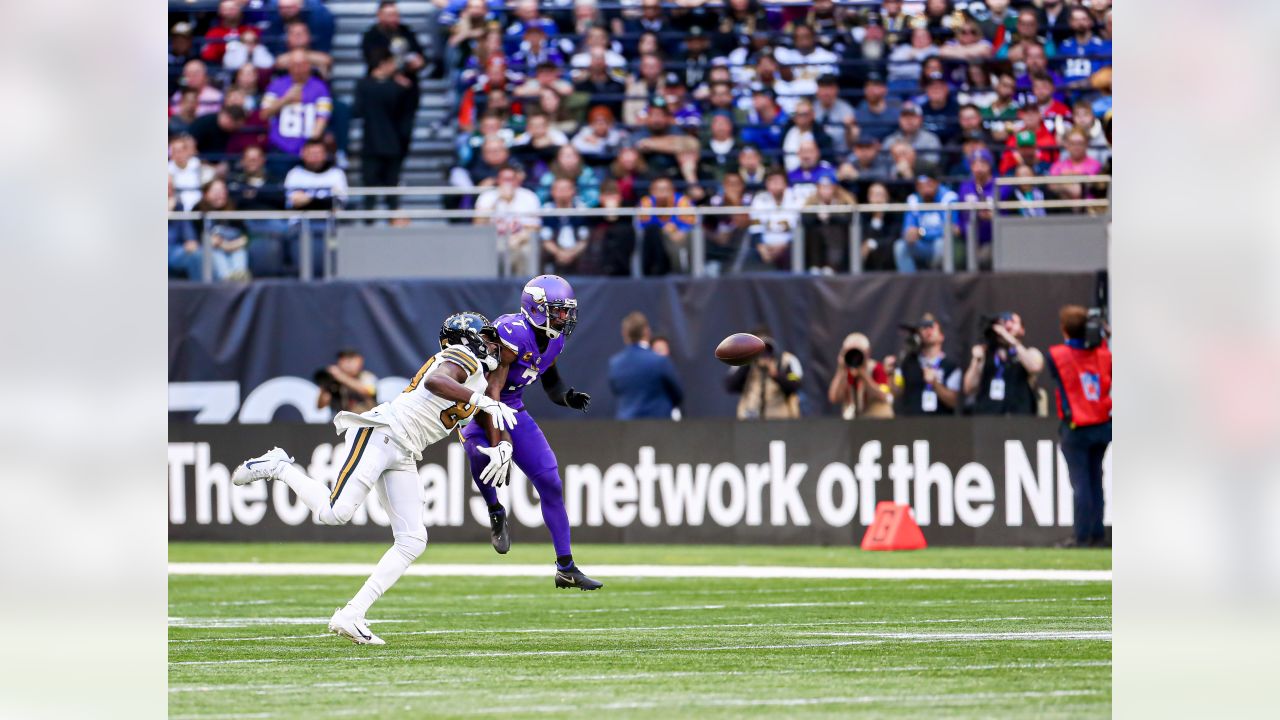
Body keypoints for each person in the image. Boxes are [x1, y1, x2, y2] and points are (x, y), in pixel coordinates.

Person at [232, 312, 520, 644]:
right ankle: (279, 466)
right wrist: (480, 400)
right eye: (484, 337)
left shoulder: (479, 380)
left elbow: (487, 417)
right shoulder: (462, 356)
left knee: (412, 539)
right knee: (334, 513)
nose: (490, 345)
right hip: (384, 433)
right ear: (466, 338)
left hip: (405, 449)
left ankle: (352, 614)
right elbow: (436, 381)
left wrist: (503, 447)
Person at [462, 276, 604, 590]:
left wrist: (565, 396)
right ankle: (495, 510)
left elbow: (548, 376)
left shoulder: (555, 340)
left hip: (514, 408)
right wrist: (498, 440)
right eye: (558, 310)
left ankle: (566, 567)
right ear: (537, 308)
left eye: (567, 311)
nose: (565, 317)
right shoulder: (511, 334)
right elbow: (493, 389)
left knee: (551, 483)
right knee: (478, 454)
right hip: (483, 406)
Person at [1046, 304, 1112, 548]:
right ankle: (1097, 534)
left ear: (1064, 329)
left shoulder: (1058, 356)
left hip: (1076, 426)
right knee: (1096, 480)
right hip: (1102, 424)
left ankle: (1082, 536)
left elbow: (1055, 365)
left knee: (1081, 483)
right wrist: (1104, 337)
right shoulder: (1104, 354)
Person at [353, 47, 416, 220]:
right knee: (385, 191)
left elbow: (357, 110)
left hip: (376, 143)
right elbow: (408, 114)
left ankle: (371, 224)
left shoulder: (364, 85)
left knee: (375, 190)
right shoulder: (397, 87)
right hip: (388, 144)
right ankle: (385, 223)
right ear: (384, 63)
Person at [964, 312, 1044, 415]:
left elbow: (1035, 367)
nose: (1007, 325)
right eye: (1004, 322)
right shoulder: (986, 354)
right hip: (988, 416)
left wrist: (1009, 338)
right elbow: (969, 388)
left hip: (1019, 418)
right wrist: (976, 361)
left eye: (1013, 322)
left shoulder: (1029, 352)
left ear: (1022, 330)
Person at [608, 312, 684, 419]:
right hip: (658, 428)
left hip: (626, 429)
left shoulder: (615, 364)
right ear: (647, 331)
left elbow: (616, 389)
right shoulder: (659, 361)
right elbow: (677, 393)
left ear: (624, 333)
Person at [261, 51, 333, 158]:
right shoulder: (277, 85)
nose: (298, 69)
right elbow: (264, 113)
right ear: (289, 66)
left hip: (308, 148)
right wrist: (285, 99)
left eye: (302, 64)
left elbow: (323, 115)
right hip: (280, 146)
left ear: (309, 66)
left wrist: (312, 141)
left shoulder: (320, 87)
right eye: (295, 65)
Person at [473, 165, 542, 275]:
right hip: (492, 240)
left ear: (517, 181)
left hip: (521, 240)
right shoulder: (487, 197)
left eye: (511, 179)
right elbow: (478, 225)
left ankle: (524, 288)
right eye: (504, 179)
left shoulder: (529, 196)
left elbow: (535, 228)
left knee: (525, 251)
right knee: (495, 250)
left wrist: (517, 239)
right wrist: (497, 201)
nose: (508, 183)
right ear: (498, 180)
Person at [892, 313, 962, 416]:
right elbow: (897, 392)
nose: (928, 330)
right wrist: (890, 374)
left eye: (932, 326)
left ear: (941, 336)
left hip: (941, 425)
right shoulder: (908, 362)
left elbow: (954, 401)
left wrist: (935, 384)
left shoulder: (950, 366)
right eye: (924, 327)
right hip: (911, 423)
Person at [726, 331, 803, 420]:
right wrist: (747, 363)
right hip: (750, 421)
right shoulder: (743, 361)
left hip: (779, 422)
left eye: (766, 349)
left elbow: (796, 383)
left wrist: (776, 375)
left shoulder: (787, 360)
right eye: (758, 350)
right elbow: (729, 385)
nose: (763, 354)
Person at [895, 173, 959, 273]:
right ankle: (909, 284)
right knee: (900, 246)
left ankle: (940, 282)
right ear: (917, 187)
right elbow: (907, 229)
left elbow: (951, 229)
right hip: (922, 245)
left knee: (941, 244)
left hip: (942, 244)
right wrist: (909, 234)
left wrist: (922, 233)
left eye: (929, 184)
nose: (926, 189)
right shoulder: (913, 199)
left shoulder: (948, 197)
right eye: (922, 185)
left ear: (936, 183)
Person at [194, 179, 252, 282]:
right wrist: (224, 245)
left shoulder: (233, 207)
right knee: (216, 251)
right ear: (206, 194)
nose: (220, 195)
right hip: (213, 249)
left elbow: (245, 236)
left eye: (222, 191)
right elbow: (203, 239)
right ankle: (226, 279)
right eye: (216, 192)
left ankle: (240, 276)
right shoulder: (198, 210)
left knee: (239, 251)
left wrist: (232, 245)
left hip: (233, 246)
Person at [637, 177, 696, 276]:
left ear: (672, 190)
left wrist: (680, 230)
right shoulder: (646, 202)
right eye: (658, 189)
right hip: (657, 241)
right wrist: (664, 227)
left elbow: (690, 221)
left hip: (680, 236)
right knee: (654, 233)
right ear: (652, 191)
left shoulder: (682, 201)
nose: (662, 193)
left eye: (666, 189)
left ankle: (683, 272)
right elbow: (643, 223)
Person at [828, 332, 893, 419]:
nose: (855, 358)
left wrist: (864, 375)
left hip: (876, 419)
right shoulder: (845, 372)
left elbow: (883, 396)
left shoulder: (876, 368)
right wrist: (840, 371)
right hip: (853, 421)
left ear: (867, 353)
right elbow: (834, 398)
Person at [748, 167, 801, 271]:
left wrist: (783, 247)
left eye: (778, 181)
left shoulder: (796, 198)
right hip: (766, 246)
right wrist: (762, 248)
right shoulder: (760, 199)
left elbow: (797, 229)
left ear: (785, 183)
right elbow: (755, 228)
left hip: (789, 246)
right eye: (770, 181)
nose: (774, 184)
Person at [800, 177, 855, 273]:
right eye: (823, 188)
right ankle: (815, 266)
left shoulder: (844, 201)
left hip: (839, 239)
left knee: (834, 231)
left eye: (828, 188)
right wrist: (817, 216)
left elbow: (848, 219)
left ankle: (832, 266)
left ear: (834, 188)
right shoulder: (811, 202)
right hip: (816, 241)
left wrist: (831, 216)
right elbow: (805, 220)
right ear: (818, 189)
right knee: (815, 232)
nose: (826, 191)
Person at [315, 349, 380, 414]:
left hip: (365, 420)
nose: (347, 364)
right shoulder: (335, 381)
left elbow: (367, 391)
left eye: (350, 360)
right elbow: (320, 406)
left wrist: (341, 377)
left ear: (360, 361)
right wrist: (325, 386)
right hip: (343, 421)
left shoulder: (367, 376)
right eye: (343, 360)